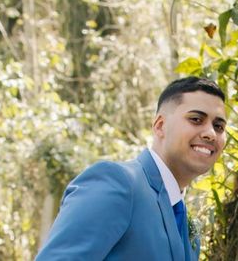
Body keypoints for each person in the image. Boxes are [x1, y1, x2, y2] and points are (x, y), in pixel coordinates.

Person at [35, 76, 227, 261]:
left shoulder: (185, 220)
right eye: (196, 119)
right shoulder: (118, 182)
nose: (211, 133)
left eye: (218, 126)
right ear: (160, 126)